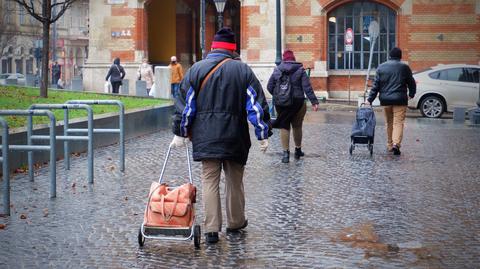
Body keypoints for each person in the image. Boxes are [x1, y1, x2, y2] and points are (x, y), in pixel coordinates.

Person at [170, 28, 271, 244]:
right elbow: (256, 105)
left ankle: (211, 229)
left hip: (206, 136)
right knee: (235, 181)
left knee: (209, 180)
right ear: (233, 50)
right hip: (235, 135)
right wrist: (262, 132)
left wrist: (180, 131)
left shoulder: (196, 70)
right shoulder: (243, 71)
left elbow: (185, 107)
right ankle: (235, 223)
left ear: (213, 47)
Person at [267, 49, 319, 163]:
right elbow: (307, 87)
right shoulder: (300, 70)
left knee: (284, 126)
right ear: (293, 59)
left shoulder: (277, 70)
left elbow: (269, 86)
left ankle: (286, 154)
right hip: (298, 102)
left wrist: (278, 96)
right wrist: (314, 102)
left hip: (281, 103)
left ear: (284, 59)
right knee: (297, 126)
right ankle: (298, 150)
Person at [367, 47, 416, 155]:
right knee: (398, 123)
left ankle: (389, 145)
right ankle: (396, 144)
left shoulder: (381, 67)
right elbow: (411, 83)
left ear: (390, 55)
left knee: (389, 123)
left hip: (385, 100)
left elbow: (376, 86)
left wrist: (369, 99)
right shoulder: (404, 67)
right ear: (400, 56)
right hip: (400, 100)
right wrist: (411, 95)